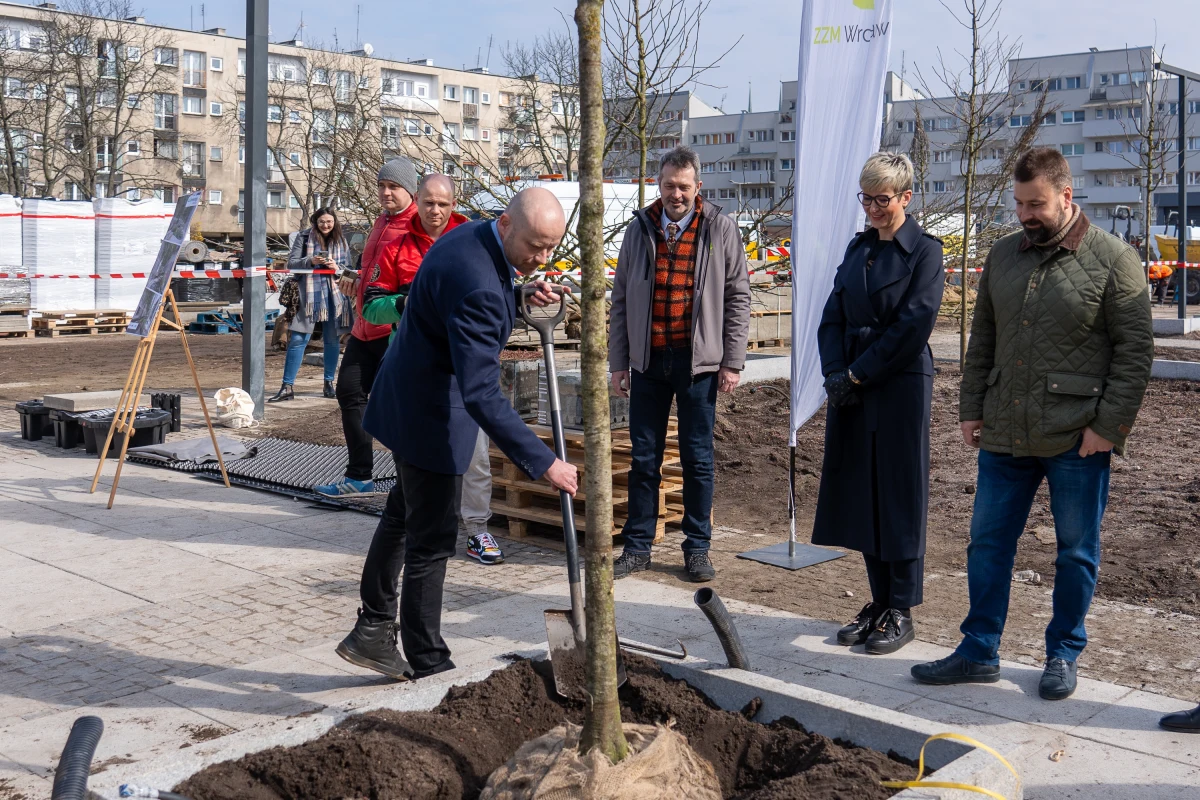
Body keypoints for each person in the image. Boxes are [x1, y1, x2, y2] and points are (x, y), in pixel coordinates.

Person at [911, 147, 1154, 701]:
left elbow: (1134, 352)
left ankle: (1063, 653)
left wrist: (1108, 429)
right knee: (987, 545)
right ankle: (978, 651)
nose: (1025, 214)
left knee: (1075, 551)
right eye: (1019, 203)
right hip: (1005, 431)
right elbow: (984, 341)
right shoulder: (1002, 256)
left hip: (1078, 438)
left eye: (1036, 203)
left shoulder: (1115, 260)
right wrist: (971, 407)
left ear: (1067, 196)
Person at [335, 188, 578, 680]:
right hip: (431, 417)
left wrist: (520, 293)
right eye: (535, 245)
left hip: (405, 396)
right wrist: (544, 460)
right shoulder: (481, 287)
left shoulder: (468, 234)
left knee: (402, 516)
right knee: (432, 540)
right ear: (507, 225)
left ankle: (372, 628)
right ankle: (429, 660)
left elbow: (466, 296)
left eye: (551, 247)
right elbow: (482, 394)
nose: (541, 259)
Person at [322, 175, 504, 564]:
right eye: (428, 203)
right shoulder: (396, 246)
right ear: (417, 201)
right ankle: (413, 525)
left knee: (474, 451)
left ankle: (477, 529)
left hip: (464, 363)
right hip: (414, 366)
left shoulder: (476, 238)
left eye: (443, 203)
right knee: (414, 451)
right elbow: (371, 306)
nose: (435, 211)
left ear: (454, 202)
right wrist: (406, 304)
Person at [814, 152, 946, 655]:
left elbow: (913, 326)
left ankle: (902, 608)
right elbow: (832, 315)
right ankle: (878, 600)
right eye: (866, 198)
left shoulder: (926, 253)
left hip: (897, 383)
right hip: (851, 384)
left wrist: (856, 372)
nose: (872, 208)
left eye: (882, 199)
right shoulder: (858, 250)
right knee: (863, 491)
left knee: (898, 491)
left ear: (906, 197)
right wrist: (833, 374)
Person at [608, 145, 751, 583]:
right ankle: (637, 547)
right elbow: (620, 300)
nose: (676, 194)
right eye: (669, 185)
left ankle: (697, 547)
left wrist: (733, 360)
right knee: (644, 460)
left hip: (699, 366)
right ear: (659, 184)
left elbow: (738, 296)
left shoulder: (720, 229)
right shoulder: (640, 230)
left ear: (698, 187)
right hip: (648, 362)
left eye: (684, 187)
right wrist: (619, 362)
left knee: (698, 460)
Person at [312, 158, 418, 497]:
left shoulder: (416, 224)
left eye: (394, 187)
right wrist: (354, 280)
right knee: (348, 392)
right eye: (382, 186)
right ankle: (359, 476)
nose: (386, 192)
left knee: (397, 406)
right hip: (364, 326)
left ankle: (410, 482)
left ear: (410, 190)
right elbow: (373, 274)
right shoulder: (380, 222)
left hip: (393, 332)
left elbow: (411, 284)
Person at [269, 208, 353, 403]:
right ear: (315, 222)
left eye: (329, 221)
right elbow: (292, 263)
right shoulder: (304, 237)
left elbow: (348, 268)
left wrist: (336, 267)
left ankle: (329, 384)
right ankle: (287, 386)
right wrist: (311, 260)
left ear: (334, 222)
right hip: (308, 295)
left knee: (332, 340)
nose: (326, 225)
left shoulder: (341, 239)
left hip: (335, 296)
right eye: (322, 221)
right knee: (298, 338)